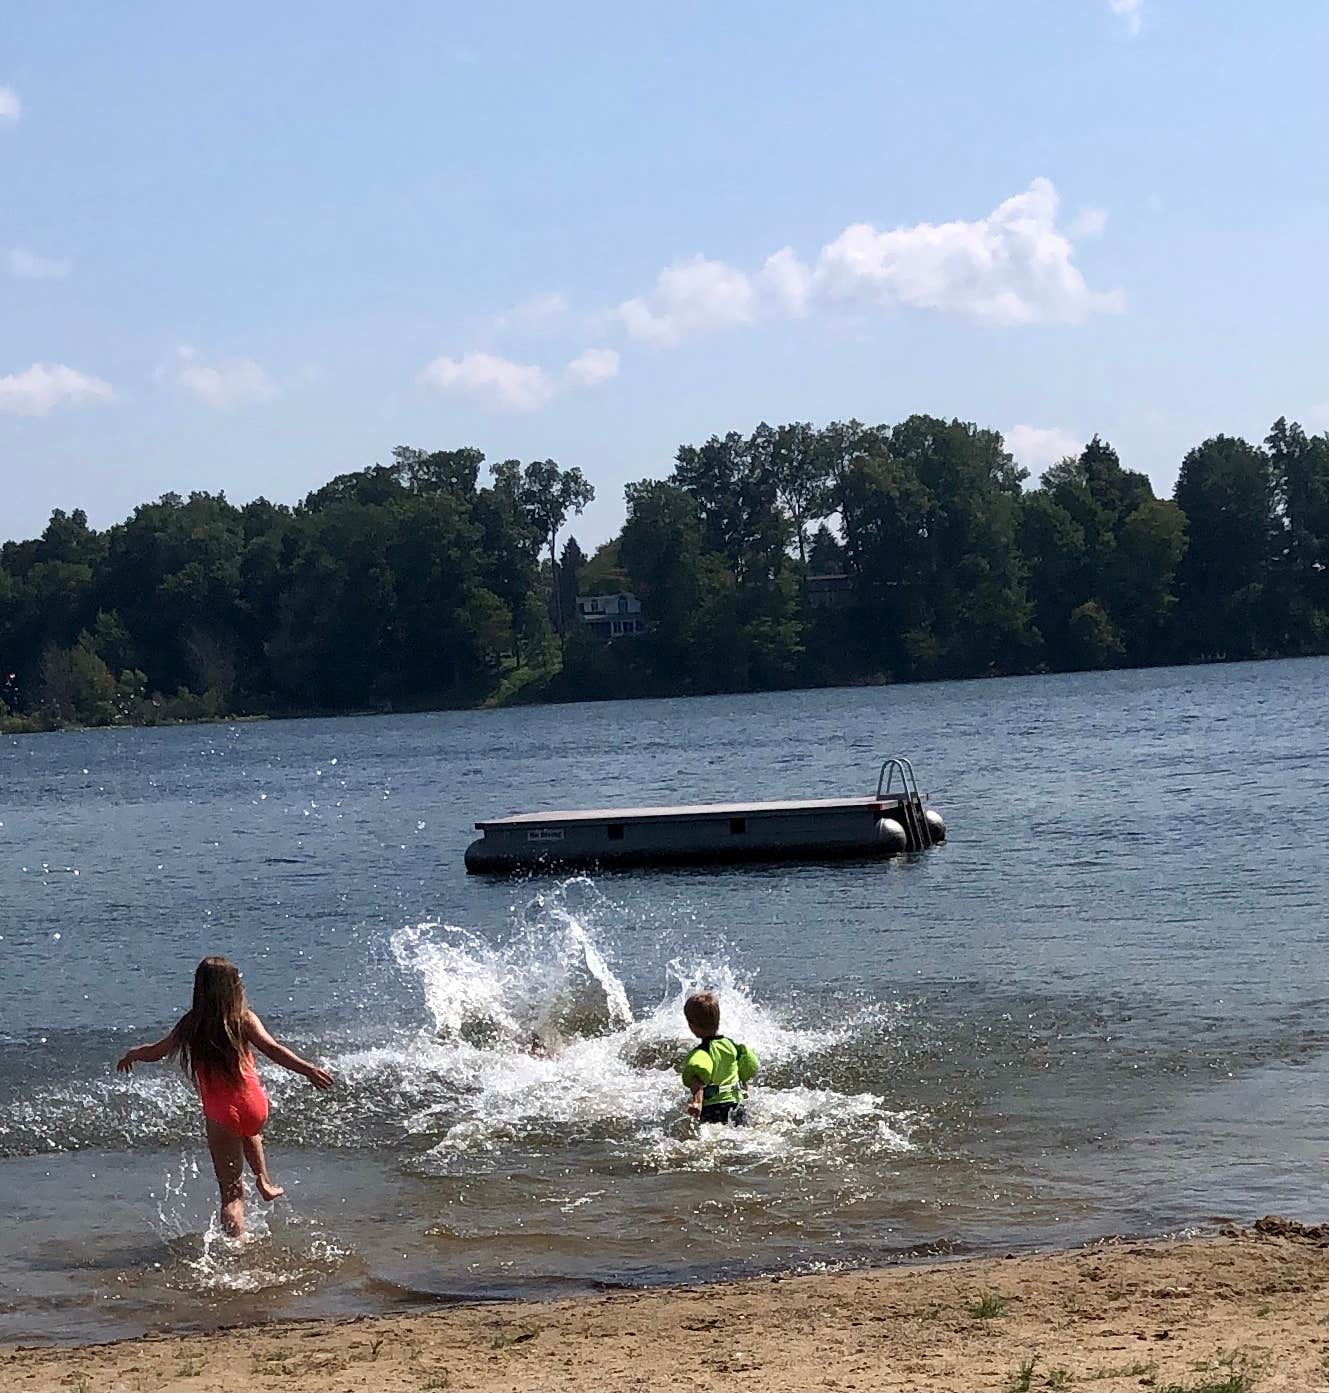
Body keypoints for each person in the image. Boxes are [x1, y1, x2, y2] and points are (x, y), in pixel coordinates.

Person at [116, 955, 333, 1237]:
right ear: (234, 987)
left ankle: (237, 1247)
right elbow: (274, 1049)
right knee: (249, 1131)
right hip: (255, 1105)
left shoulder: (191, 1024)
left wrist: (134, 1054)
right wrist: (308, 1069)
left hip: (221, 1113)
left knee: (231, 1195)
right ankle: (265, 1182)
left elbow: (156, 1051)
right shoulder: (244, 1019)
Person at [680, 991, 759, 1125]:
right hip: (736, 1105)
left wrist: (697, 1102)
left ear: (692, 1026)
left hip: (714, 1110)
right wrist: (744, 1089)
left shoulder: (703, 1052)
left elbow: (698, 1078)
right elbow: (744, 1068)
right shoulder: (731, 1045)